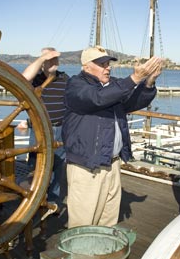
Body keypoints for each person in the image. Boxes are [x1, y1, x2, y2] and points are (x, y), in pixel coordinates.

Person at [62, 45, 162, 228]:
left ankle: (102, 254)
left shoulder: (112, 86)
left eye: (108, 63)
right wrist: (135, 77)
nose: (107, 67)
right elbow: (96, 98)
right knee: (83, 222)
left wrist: (148, 83)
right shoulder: (76, 85)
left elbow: (132, 102)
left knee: (108, 219)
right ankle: (81, 256)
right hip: (87, 165)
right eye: (102, 64)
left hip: (112, 163)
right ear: (86, 66)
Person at [22, 47, 69, 207]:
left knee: (58, 167)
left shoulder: (64, 79)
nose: (53, 62)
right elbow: (23, 77)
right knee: (36, 167)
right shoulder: (36, 80)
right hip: (40, 130)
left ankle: (53, 203)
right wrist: (43, 58)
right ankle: (34, 201)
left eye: (55, 59)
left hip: (61, 129)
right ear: (41, 62)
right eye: (49, 59)